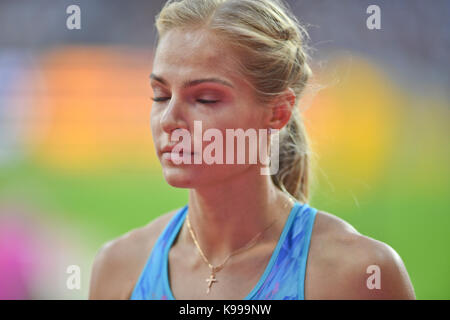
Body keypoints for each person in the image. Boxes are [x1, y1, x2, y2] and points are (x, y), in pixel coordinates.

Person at [89, 0, 415, 300]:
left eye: (205, 98)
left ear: (278, 112)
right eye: (160, 95)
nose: (170, 119)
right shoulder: (120, 267)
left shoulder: (357, 275)